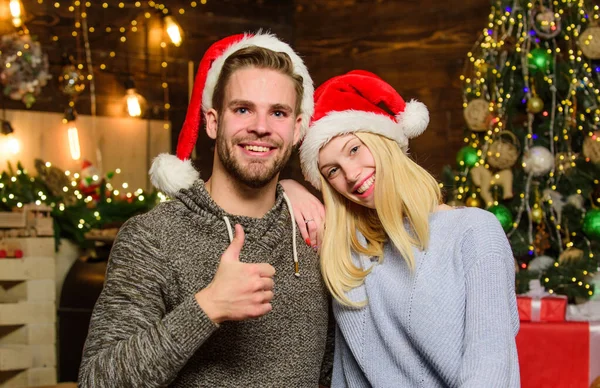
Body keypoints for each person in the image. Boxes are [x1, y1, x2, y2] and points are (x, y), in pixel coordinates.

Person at [79, 32, 333, 387]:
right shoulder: (153, 236)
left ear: (297, 129)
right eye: (242, 109)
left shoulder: (313, 231)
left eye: (278, 113)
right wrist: (207, 307)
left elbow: (330, 370)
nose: (260, 127)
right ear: (213, 122)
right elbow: (97, 381)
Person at [298, 70, 520, 387]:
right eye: (332, 170)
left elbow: (491, 370)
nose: (351, 174)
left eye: (354, 149)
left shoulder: (473, 232)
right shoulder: (349, 255)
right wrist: (289, 188)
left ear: (384, 141)